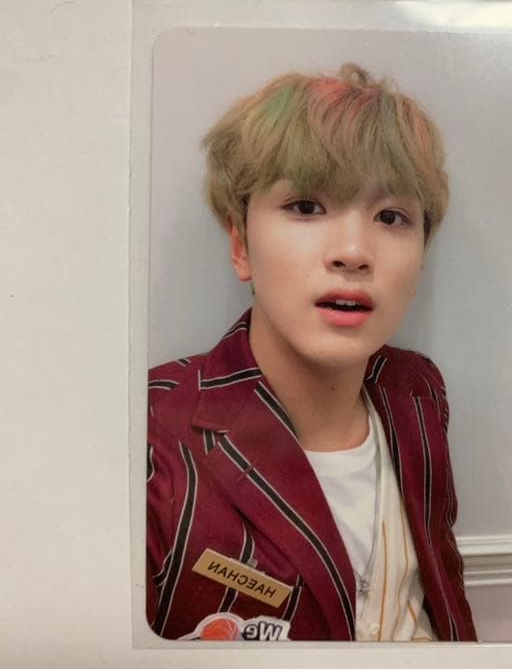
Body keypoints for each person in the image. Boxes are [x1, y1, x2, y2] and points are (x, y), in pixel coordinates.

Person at [146, 63, 477, 642]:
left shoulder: (418, 391)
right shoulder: (149, 436)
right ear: (241, 243)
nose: (353, 251)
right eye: (306, 206)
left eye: (391, 217)